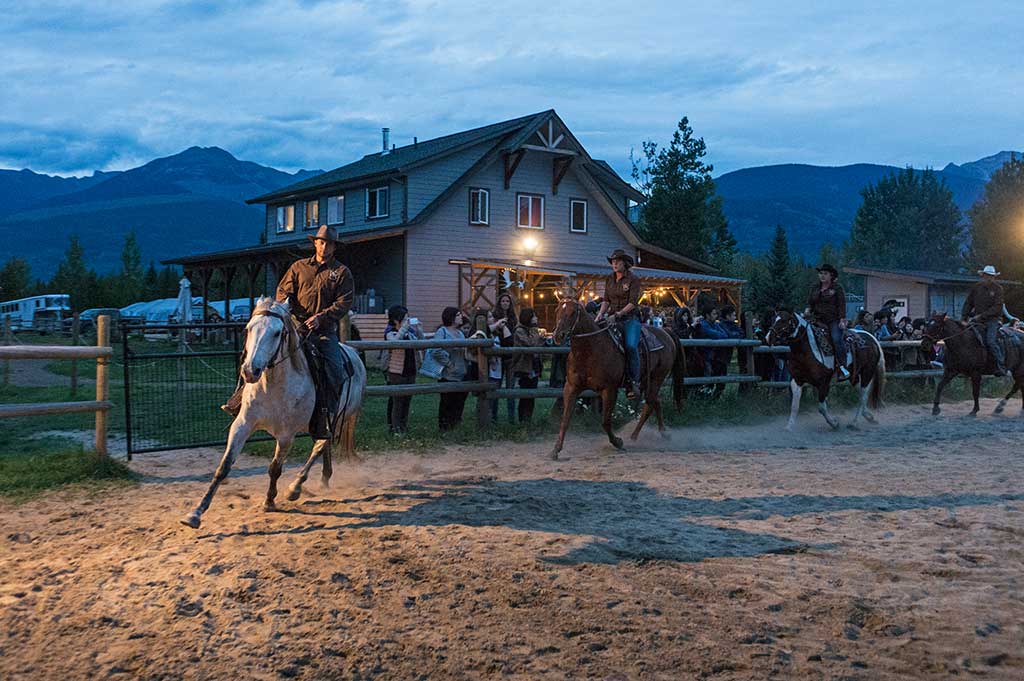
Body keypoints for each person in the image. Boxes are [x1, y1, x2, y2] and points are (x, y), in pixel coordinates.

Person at [221, 225, 354, 440]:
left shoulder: (340, 273)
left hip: (323, 333)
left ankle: (325, 416)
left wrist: (322, 317)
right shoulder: (298, 267)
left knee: (335, 370)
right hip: (294, 329)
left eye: (329, 243)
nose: (324, 246)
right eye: (321, 242)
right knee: (257, 354)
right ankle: (239, 399)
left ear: (334, 247)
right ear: (315, 243)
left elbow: (344, 302)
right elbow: (282, 292)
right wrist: (284, 309)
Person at [595, 249, 643, 399]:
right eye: (613, 262)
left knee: (630, 346)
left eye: (617, 261)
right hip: (611, 317)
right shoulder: (609, 279)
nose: (614, 264)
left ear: (625, 263)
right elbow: (606, 300)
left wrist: (619, 314)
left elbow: (633, 303)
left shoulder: (633, 279)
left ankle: (634, 381)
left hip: (630, 318)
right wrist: (600, 314)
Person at [962, 265, 1008, 376]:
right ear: (983, 276)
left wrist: (981, 316)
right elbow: (968, 303)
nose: (988, 278)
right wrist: (964, 317)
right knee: (964, 337)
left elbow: (997, 307)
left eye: (991, 276)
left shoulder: (998, 289)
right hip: (978, 319)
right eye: (987, 275)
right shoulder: (976, 287)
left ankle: (1000, 365)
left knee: (991, 341)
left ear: (994, 277)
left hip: (993, 320)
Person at [384, 305, 422, 435]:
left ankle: (404, 427)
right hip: (397, 372)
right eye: (406, 318)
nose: (408, 321)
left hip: (411, 371)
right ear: (396, 320)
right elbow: (395, 342)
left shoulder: (409, 333)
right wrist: (403, 329)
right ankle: (395, 428)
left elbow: (421, 345)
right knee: (398, 402)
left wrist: (419, 330)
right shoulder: (391, 332)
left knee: (407, 401)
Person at [807, 263, 849, 380]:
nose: (822, 276)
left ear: (831, 275)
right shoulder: (815, 287)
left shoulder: (837, 288)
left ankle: (842, 367)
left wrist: (842, 319)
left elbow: (841, 304)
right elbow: (810, 302)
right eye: (821, 273)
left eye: (825, 274)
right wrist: (808, 310)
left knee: (836, 339)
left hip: (832, 320)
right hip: (816, 319)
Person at [435, 307, 468, 430]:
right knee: (446, 403)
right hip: (447, 374)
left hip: (461, 372)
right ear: (451, 317)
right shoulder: (442, 332)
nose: (461, 317)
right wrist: (449, 364)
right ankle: (444, 428)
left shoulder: (460, 333)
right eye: (458, 315)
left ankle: (455, 426)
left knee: (458, 403)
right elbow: (436, 350)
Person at [512, 307, 545, 423]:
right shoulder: (519, 331)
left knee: (532, 395)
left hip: (534, 365)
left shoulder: (533, 330)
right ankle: (522, 420)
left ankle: (528, 419)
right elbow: (531, 344)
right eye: (534, 316)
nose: (536, 318)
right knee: (525, 395)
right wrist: (539, 337)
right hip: (524, 366)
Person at [491, 292, 518, 422]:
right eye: (503, 301)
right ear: (499, 303)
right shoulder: (494, 317)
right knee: (496, 387)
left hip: (510, 356)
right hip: (498, 356)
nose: (505, 303)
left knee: (511, 388)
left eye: (507, 301)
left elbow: (513, 338)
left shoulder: (513, 318)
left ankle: (511, 418)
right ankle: (493, 417)